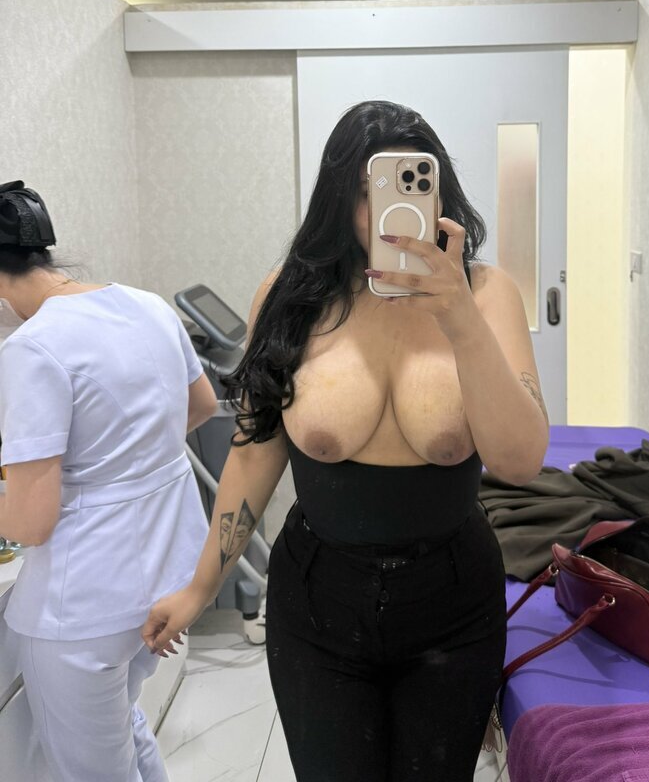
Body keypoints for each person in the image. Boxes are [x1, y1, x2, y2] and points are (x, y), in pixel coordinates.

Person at [144, 101, 549, 782]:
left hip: (453, 604)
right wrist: (200, 586)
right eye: (364, 192)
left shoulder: (485, 294)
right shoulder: (290, 298)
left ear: (438, 189)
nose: (382, 213)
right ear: (336, 199)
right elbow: (254, 451)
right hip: (317, 603)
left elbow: (520, 459)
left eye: (407, 183)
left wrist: (460, 320)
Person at [0, 180, 218, 782]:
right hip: (165, 584)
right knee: (124, 725)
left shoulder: (32, 347)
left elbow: (30, 523)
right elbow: (200, 405)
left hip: (83, 609)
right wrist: (120, 463)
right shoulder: (147, 304)